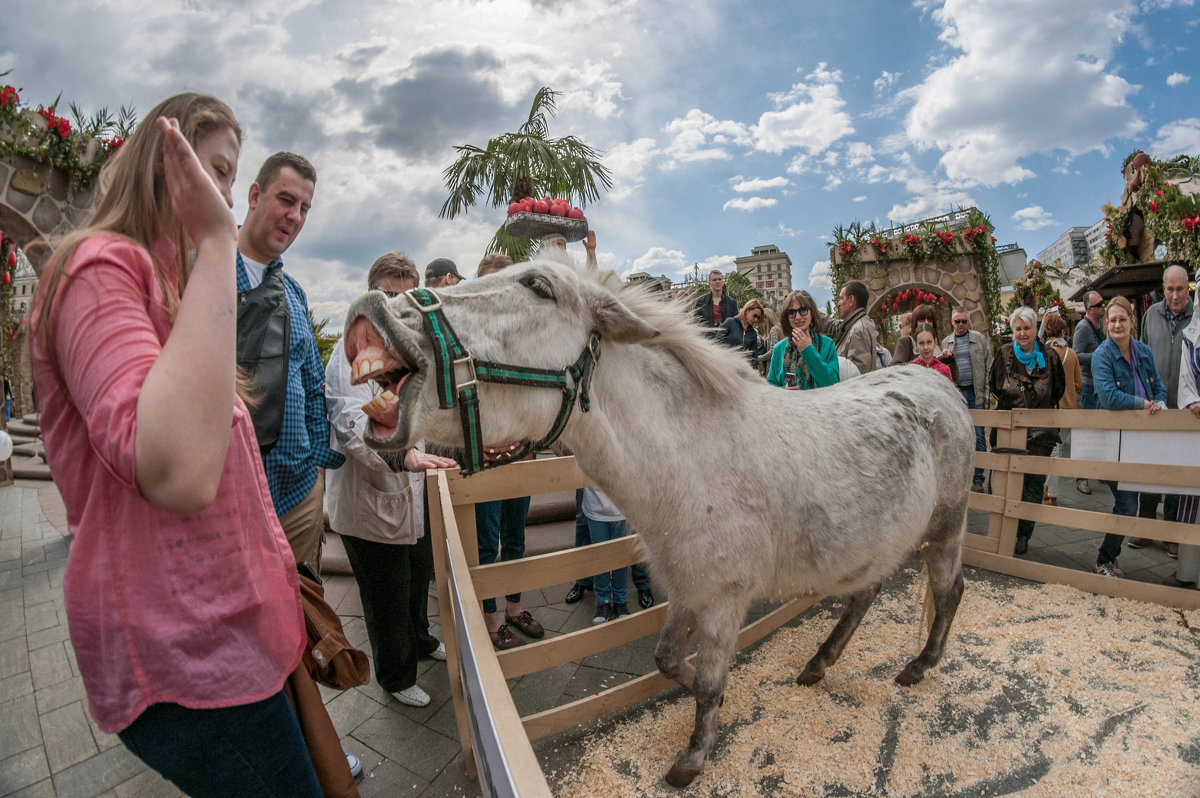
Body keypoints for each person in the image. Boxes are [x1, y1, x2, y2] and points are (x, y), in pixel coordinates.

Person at [30, 94, 321, 796]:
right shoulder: (101, 269)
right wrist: (221, 243)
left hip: (224, 628)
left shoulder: (171, 289)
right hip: (184, 646)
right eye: (214, 169)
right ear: (167, 161)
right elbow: (179, 471)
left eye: (228, 173)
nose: (221, 191)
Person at [324, 252, 457, 709]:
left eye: (408, 295)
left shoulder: (411, 350)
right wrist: (405, 458)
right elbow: (350, 422)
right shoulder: (353, 353)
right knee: (386, 597)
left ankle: (420, 641)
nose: (399, 303)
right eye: (388, 295)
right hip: (371, 503)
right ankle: (395, 676)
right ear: (371, 296)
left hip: (412, 495)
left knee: (419, 577)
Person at [236, 152, 344, 573]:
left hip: (297, 492)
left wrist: (316, 466)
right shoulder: (204, 274)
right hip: (231, 499)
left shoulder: (293, 292)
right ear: (254, 195)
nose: (295, 216)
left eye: (304, 208)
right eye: (285, 199)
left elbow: (314, 384)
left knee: (302, 622)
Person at [470, 253, 544, 649]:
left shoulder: (524, 337)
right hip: (482, 459)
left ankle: (515, 608)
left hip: (520, 454)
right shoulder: (467, 334)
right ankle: (491, 617)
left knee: (515, 538)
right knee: (486, 544)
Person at [1090, 295, 1167, 578]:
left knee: (1131, 502)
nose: (1117, 324)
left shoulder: (1144, 351)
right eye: (1112, 320)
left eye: (1123, 319)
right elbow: (1109, 396)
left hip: (1141, 439)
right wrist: (1142, 404)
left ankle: (1109, 557)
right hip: (1112, 441)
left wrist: (1159, 403)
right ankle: (1104, 559)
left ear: (1133, 321)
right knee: (1127, 503)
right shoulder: (1101, 355)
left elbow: (1158, 386)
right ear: (1106, 324)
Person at [990, 306, 1065, 556]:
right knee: (1002, 483)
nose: (1022, 333)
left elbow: (1058, 390)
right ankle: (1002, 532)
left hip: (1039, 436)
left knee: (1032, 487)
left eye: (1027, 328)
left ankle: (1023, 535)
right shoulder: (1004, 354)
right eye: (1018, 329)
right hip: (1009, 433)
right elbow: (995, 386)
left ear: (1036, 330)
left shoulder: (1051, 357)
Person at [1128, 265, 1193, 555]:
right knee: (1151, 471)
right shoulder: (1151, 314)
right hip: (1156, 406)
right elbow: (1141, 355)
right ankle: (1145, 527)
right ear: (1163, 288)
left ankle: (1171, 534)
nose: (1175, 295)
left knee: (1178, 475)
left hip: (1186, 409)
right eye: (1170, 289)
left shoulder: (1198, 315)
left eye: (1180, 289)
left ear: (1188, 288)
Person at [1166, 286, 1200, 588]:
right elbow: (1186, 380)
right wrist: (1192, 401)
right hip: (1197, 428)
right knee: (1192, 498)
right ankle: (1187, 573)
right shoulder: (1192, 337)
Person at [941, 308, 994, 491]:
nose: (961, 324)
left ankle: (978, 478)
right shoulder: (946, 343)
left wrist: (987, 390)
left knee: (979, 436)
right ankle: (962, 478)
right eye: (958, 321)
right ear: (952, 322)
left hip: (976, 392)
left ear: (968, 321)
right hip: (957, 394)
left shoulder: (978, 339)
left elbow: (989, 365)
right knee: (958, 436)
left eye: (964, 321)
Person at [1041, 312, 1082, 506]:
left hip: (1050, 409)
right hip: (1068, 408)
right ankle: (1051, 491)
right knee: (1060, 451)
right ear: (1063, 331)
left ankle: (1050, 493)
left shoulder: (1043, 353)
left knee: (1051, 452)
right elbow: (1079, 383)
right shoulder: (1071, 354)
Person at [767, 290, 839, 390]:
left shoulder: (827, 344)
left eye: (803, 310)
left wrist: (808, 350)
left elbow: (833, 383)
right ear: (787, 317)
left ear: (812, 313)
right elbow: (770, 387)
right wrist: (784, 390)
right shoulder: (779, 348)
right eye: (791, 312)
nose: (798, 317)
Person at [1073, 290, 1107, 494]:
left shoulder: (1100, 324)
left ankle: (1101, 470)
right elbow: (1076, 355)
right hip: (1088, 386)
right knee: (1087, 432)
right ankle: (1081, 476)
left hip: (1100, 385)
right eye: (1099, 304)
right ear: (1089, 309)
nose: (1103, 307)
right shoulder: (1082, 328)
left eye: (1103, 303)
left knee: (1102, 430)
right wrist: (1098, 356)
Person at [582, 486, 631, 623]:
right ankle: (603, 602)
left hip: (622, 508)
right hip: (595, 507)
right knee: (600, 558)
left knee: (620, 558)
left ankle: (621, 602)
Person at [828, 280, 879, 374]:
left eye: (841, 298)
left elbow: (857, 374)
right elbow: (832, 325)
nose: (838, 303)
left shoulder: (858, 330)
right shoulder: (856, 324)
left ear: (851, 300)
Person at [717, 298, 766, 367]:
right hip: (725, 368)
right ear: (747, 310)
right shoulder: (730, 323)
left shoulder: (753, 333)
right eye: (755, 315)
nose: (756, 319)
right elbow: (716, 343)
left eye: (758, 318)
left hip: (742, 371)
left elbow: (754, 359)